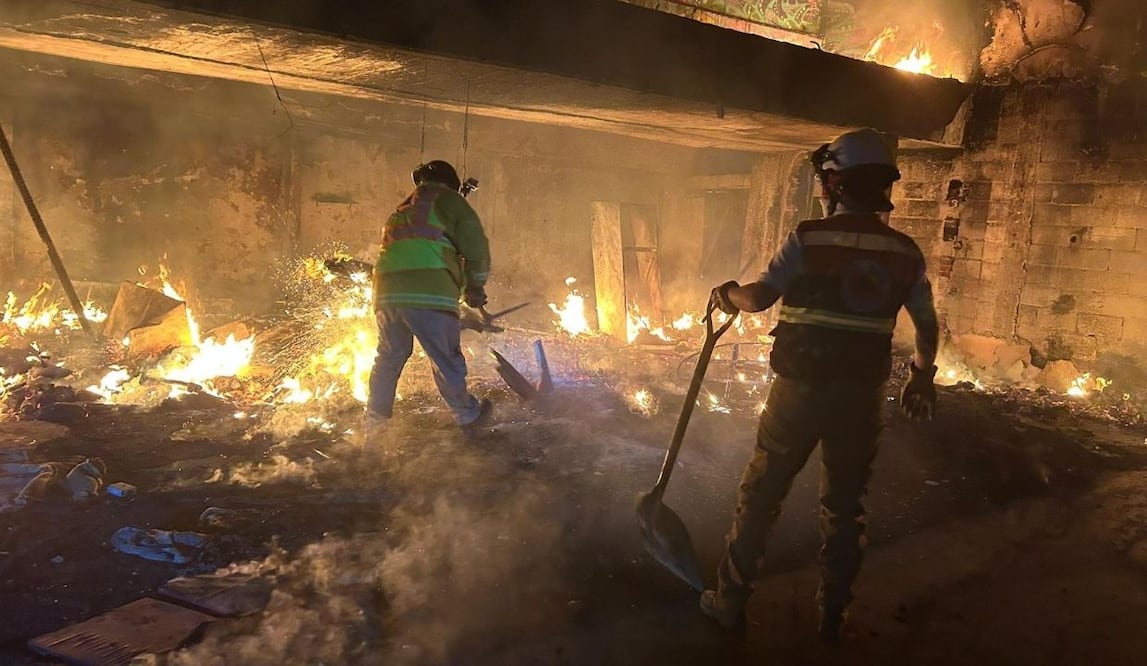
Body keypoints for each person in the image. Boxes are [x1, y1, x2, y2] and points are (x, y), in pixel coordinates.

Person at [700, 129, 940, 640]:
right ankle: (833, 616)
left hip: (799, 391)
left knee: (762, 495)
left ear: (835, 182)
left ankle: (730, 601)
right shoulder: (904, 251)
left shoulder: (808, 238)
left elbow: (760, 298)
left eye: (824, 179)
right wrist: (922, 378)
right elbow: (926, 324)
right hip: (860, 396)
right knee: (845, 506)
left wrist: (726, 294)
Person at [365, 159, 493, 437]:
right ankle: (469, 418)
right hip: (428, 294)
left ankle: (374, 427)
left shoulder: (402, 211)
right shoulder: (451, 202)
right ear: (451, 184)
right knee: (445, 359)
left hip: (386, 295)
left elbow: (427, 251)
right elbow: (476, 251)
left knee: (389, 357)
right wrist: (475, 291)